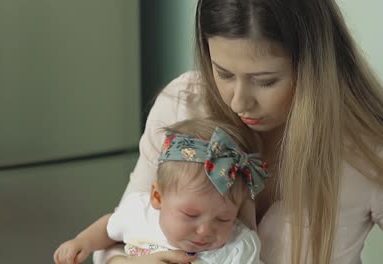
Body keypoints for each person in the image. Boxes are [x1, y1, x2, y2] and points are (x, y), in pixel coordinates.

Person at [88, 0, 383, 263]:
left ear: (315, 67)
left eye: (265, 81)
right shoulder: (182, 103)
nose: (238, 102)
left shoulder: (369, 145)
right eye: (224, 73)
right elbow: (118, 233)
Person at [54, 118, 269, 264]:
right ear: (158, 197)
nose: (205, 230)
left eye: (223, 219)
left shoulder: (239, 246)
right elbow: (108, 226)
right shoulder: (140, 212)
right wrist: (82, 242)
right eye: (191, 215)